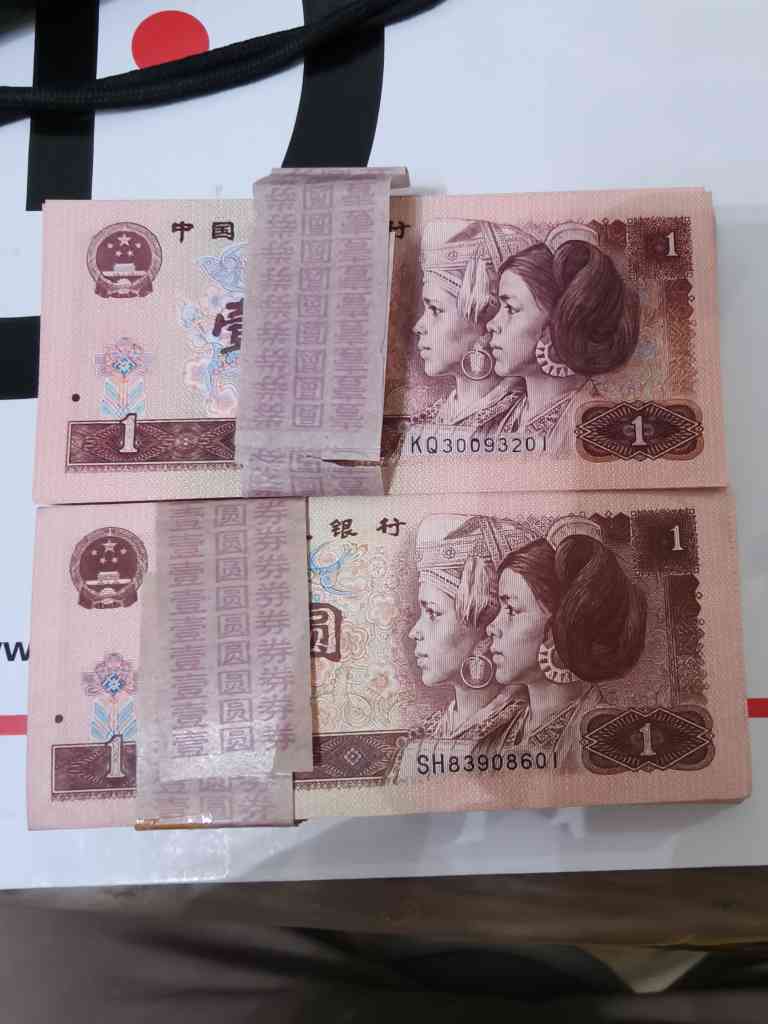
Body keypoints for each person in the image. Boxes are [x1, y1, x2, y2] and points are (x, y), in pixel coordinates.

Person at [486, 515, 647, 769]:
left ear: (560, 628)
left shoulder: (605, 741)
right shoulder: (497, 735)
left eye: (512, 610)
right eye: (499, 609)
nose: (491, 627)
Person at [390, 513, 537, 781]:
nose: (414, 632)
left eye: (433, 612)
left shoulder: (528, 731)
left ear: (486, 627)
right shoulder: (429, 733)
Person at [486, 222, 640, 452]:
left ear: (557, 324)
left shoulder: (596, 429)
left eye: (511, 308)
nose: (491, 325)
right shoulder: (501, 417)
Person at [408, 219, 539, 436]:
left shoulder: (524, 423)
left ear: (488, 318)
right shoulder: (426, 423)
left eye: (435, 309)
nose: (418, 327)